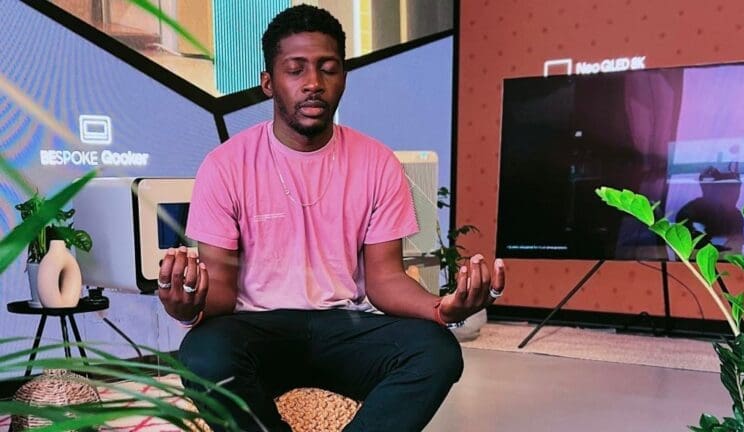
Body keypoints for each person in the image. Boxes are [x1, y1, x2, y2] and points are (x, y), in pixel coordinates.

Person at [157, 5, 506, 431]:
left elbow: (385, 279)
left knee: (437, 352)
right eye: (295, 69)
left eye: (328, 69)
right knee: (202, 354)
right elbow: (223, 292)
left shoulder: (377, 162)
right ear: (269, 82)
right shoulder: (225, 165)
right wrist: (185, 307)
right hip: (256, 330)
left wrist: (442, 309)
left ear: (343, 77)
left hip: (347, 327)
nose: (313, 84)